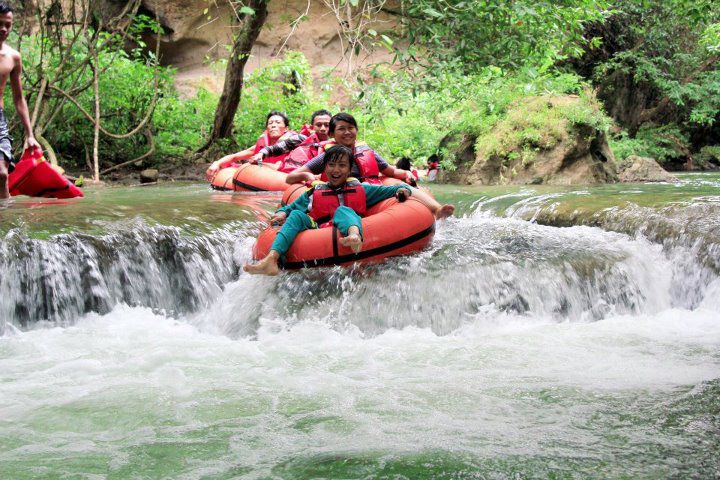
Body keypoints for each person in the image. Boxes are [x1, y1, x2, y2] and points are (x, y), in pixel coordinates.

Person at [244, 145, 454, 276]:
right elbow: (291, 208)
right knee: (298, 215)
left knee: (343, 211)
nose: (336, 170)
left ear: (349, 169)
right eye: (332, 166)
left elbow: (392, 189)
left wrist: (401, 191)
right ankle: (272, 259)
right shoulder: (315, 191)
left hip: (349, 223)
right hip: (317, 226)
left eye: (342, 166)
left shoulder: (360, 189)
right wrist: (282, 214)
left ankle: (354, 236)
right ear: (325, 169)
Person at [285, 112, 416, 186]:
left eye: (350, 128)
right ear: (331, 134)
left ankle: (436, 210)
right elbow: (290, 178)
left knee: (401, 186)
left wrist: (405, 173)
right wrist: (306, 175)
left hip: (369, 192)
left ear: (356, 131)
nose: (347, 132)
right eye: (341, 129)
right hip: (340, 197)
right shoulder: (328, 157)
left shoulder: (366, 151)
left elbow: (391, 171)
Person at [0, 2, 40, 199]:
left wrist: (30, 134)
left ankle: (7, 223)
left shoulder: (13, 57)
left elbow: (18, 98)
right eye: (0, 24)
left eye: (8, 24)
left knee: (1, 173)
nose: (3, 29)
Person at [206, 110, 296, 177]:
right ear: (267, 128)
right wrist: (217, 163)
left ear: (286, 129)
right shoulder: (262, 145)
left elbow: (281, 167)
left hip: (281, 178)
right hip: (260, 177)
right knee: (225, 165)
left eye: (278, 123)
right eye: (270, 123)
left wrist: (256, 165)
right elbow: (235, 157)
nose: (273, 125)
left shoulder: (293, 145)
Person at [250, 109, 332, 172]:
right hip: (293, 177)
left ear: (332, 127)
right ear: (312, 127)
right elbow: (277, 148)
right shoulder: (301, 139)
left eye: (327, 125)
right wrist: (261, 154)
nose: (323, 128)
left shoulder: (337, 145)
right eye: (318, 125)